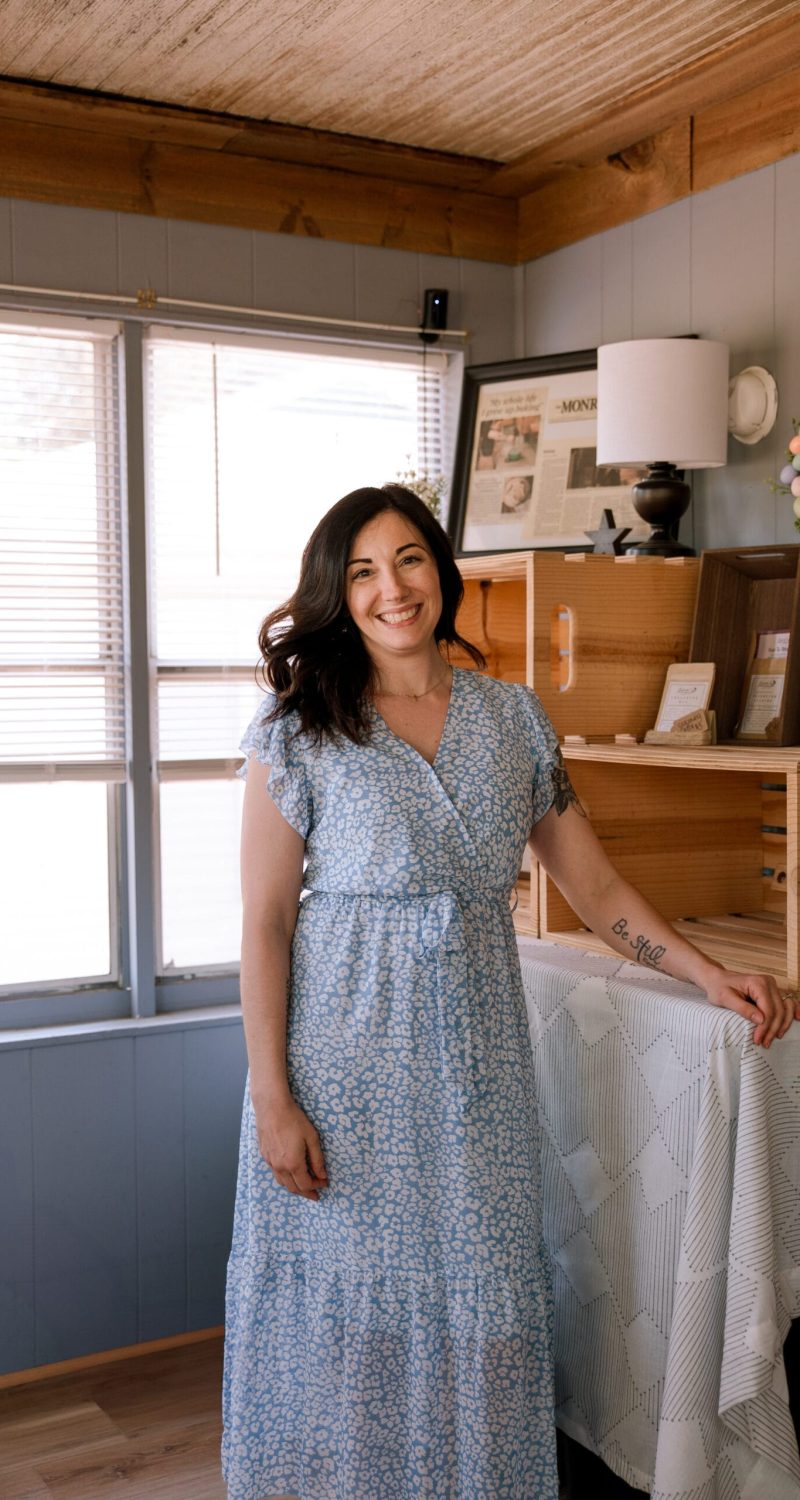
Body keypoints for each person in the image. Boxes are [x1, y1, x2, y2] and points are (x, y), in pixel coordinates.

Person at [222, 484, 798, 1500]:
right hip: (344, 1062)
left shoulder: (512, 719)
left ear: (440, 573)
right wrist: (273, 1097)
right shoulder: (299, 725)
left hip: (474, 1062)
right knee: (355, 1303)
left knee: (480, 1294)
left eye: (406, 560)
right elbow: (264, 922)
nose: (389, 588)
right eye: (359, 571)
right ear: (335, 595)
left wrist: (708, 972)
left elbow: (596, 884)